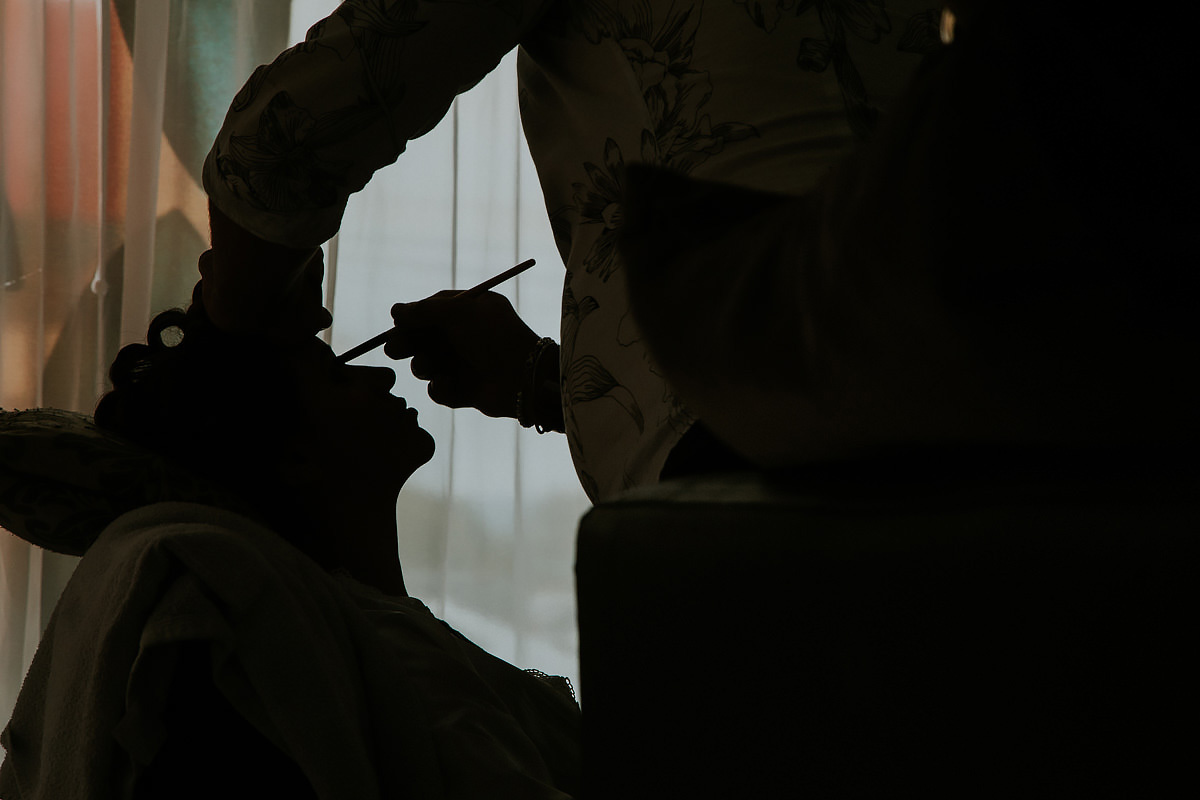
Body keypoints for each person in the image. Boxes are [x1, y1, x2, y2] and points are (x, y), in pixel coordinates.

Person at [199, 0, 948, 502]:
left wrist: (234, 321)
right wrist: (546, 384)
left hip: (764, 408)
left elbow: (280, 145)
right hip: (988, 384)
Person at [90, 304, 581, 799]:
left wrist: (540, 382)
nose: (384, 375)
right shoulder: (391, 659)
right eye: (338, 376)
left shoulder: (374, 633)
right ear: (296, 457)